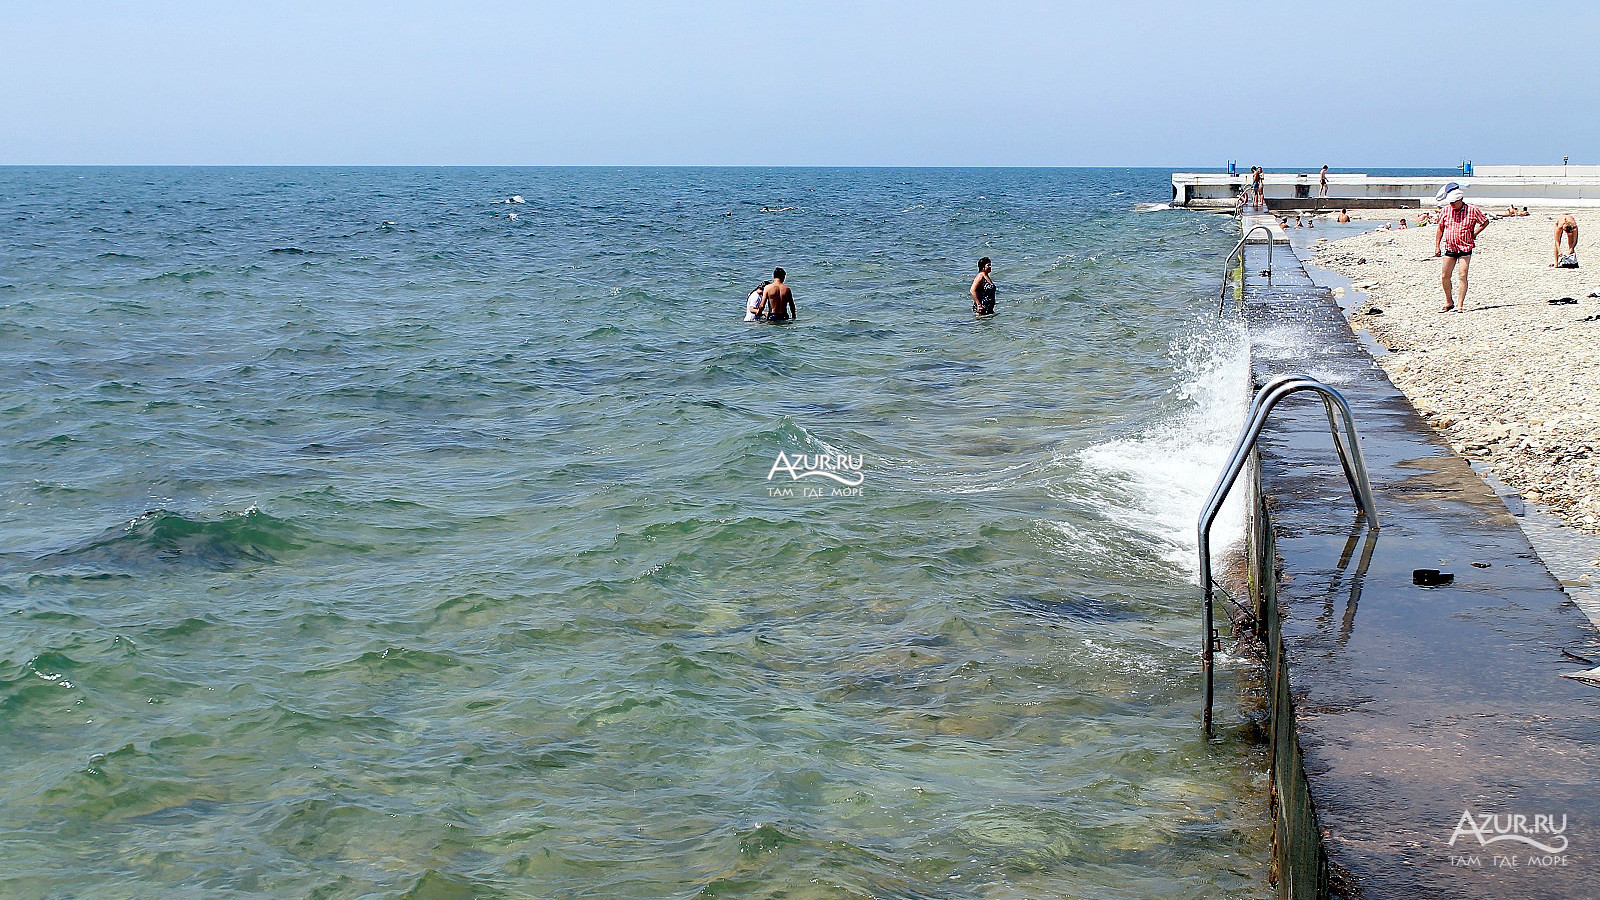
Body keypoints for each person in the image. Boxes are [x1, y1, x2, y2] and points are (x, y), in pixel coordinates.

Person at [1433, 183, 1489, 313]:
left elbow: (1484, 221)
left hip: (1465, 247)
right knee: (1445, 275)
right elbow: (1440, 228)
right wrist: (1437, 246)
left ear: (1460, 200)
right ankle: (1449, 302)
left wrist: (1474, 233)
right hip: (1450, 246)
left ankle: (1460, 304)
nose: (1452, 205)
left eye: (1454, 202)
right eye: (1450, 202)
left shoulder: (1472, 210)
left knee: (1462, 275)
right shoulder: (1446, 211)